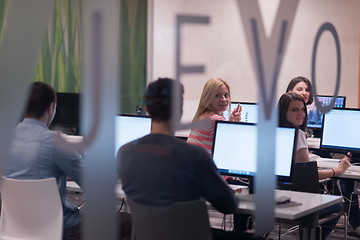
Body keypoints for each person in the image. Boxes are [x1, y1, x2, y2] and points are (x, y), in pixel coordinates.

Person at [118, 78, 262, 240]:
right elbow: (228, 205)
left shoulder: (124, 153)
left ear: (147, 109)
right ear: (179, 109)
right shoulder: (194, 156)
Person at [4, 82, 131, 240]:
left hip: (16, 226)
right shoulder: (55, 142)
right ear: (52, 108)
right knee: (129, 222)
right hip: (61, 227)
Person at [278, 92, 351, 239]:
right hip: (295, 200)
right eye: (294, 110)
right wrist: (337, 170)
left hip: (274, 196)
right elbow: (308, 175)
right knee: (337, 205)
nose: (301, 114)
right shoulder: (296, 134)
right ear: (283, 112)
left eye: (302, 109)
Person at [187, 78, 241, 152]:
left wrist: (230, 123)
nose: (224, 99)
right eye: (217, 96)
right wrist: (235, 125)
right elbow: (233, 146)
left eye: (226, 95)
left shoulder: (204, 115)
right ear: (208, 99)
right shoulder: (214, 119)